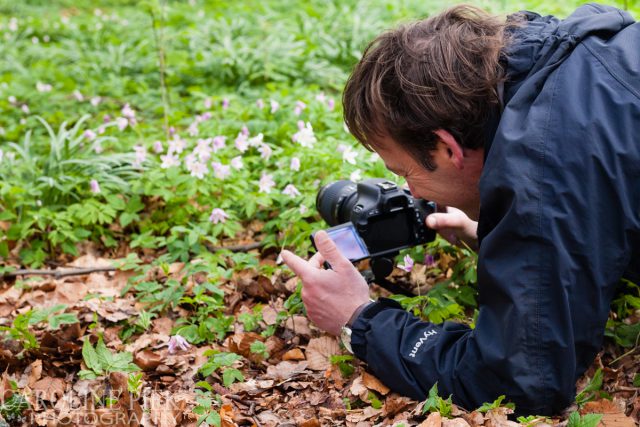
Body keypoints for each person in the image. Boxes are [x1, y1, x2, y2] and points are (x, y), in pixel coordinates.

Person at [281, 3, 640, 416]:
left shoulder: (544, 168)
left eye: (405, 172)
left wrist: (359, 318)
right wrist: (503, 234)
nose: (409, 189)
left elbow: (517, 382)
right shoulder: (567, 56)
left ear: (448, 147)